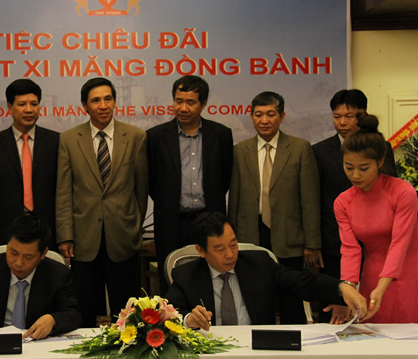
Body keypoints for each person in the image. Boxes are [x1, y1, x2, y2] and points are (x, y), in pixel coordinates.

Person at [166, 212, 367, 330]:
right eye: (219, 249)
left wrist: (341, 288)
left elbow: (303, 282)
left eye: (233, 244)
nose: (230, 254)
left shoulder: (259, 265)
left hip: (257, 349)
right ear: (201, 251)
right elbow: (168, 313)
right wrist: (189, 319)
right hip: (211, 352)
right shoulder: (186, 275)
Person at [56, 77, 148, 327]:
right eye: (96, 100)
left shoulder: (136, 137)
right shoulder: (69, 139)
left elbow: (141, 190)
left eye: (108, 99)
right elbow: (63, 192)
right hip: (84, 238)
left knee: (127, 313)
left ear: (115, 101)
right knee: (84, 309)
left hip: (123, 237)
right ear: (85, 105)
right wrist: (65, 235)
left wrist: (134, 226)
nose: (103, 105)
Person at [228, 91, 320, 324]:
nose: (264, 120)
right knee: (258, 300)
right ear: (251, 117)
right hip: (252, 234)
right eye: (258, 114)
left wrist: (312, 243)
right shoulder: (240, 151)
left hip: (289, 236)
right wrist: (233, 239)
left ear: (282, 116)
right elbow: (235, 198)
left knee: (291, 299)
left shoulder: (300, 148)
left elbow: (310, 199)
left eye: (270, 114)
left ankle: (295, 342)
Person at [313, 89, 397, 323]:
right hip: (335, 239)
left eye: (349, 116)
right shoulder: (319, 151)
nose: (342, 122)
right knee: (335, 306)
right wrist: (314, 242)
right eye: (337, 116)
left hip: (376, 240)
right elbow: (314, 198)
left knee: (376, 305)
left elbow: (390, 191)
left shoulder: (381, 148)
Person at [147, 75, 233, 295]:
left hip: (210, 220)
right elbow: (152, 182)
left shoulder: (221, 135)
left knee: (212, 279)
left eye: (190, 102)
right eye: (178, 101)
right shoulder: (156, 137)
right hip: (171, 222)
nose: (183, 108)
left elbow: (224, 178)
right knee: (172, 282)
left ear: (203, 104)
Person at [335, 113, 418, 324]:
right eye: (349, 167)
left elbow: (399, 244)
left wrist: (382, 286)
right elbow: (350, 250)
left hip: (408, 275)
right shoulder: (343, 202)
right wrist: (349, 285)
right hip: (372, 276)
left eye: (364, 168)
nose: (355, 175)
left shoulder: (402, 192)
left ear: (380, 162)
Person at [0, 79, 59, 247]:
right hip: (5, 233)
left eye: (34, 104)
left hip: (48, 232)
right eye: (22, 104)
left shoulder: (56, 142)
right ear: (9, 107)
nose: (29, 110)